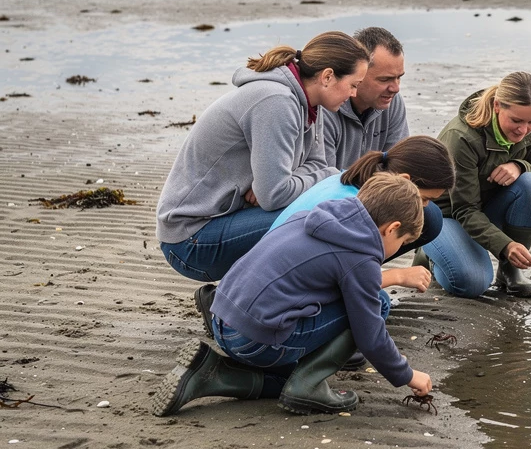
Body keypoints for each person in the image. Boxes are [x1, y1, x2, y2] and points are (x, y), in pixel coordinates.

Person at [151, 174, 433, 417]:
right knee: (378, 303)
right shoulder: (360, 256)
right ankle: (307, 386)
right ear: (392, 228)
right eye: (403, 243)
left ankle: (211, 374)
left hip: (222, 319)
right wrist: (407, 375)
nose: (399, 248)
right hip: (255, 340)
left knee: (285, 373)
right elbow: (370, 336)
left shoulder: (319, 215)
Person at [156, 31, 369, 287]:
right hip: (191, 239)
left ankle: (250, 297)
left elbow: (314, 166)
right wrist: (326, 175)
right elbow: (278, 194)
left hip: (229, 220)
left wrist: (291, 181)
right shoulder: (275, 101)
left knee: (330, 207)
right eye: (354, 84)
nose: (355, 94)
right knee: (318, 216)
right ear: (327, 76)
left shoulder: (310, 105)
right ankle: (244, 304)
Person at [423, 71, 531, 299]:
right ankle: (431, 256)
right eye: (517, 121)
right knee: (472, 283)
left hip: (485, 207)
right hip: (445, 215)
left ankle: (510, 272)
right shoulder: (461, 137)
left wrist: (519, 166)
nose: (524, 130)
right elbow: (464, 209)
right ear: (497, 105)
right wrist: (506, 246)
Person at [323, 26, 410, 169]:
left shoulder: (393, 102)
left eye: (398, 77)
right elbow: (323, 182)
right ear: (359, 73)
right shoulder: (326, 107)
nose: (395, 88)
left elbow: (398, 169)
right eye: (384, 79)